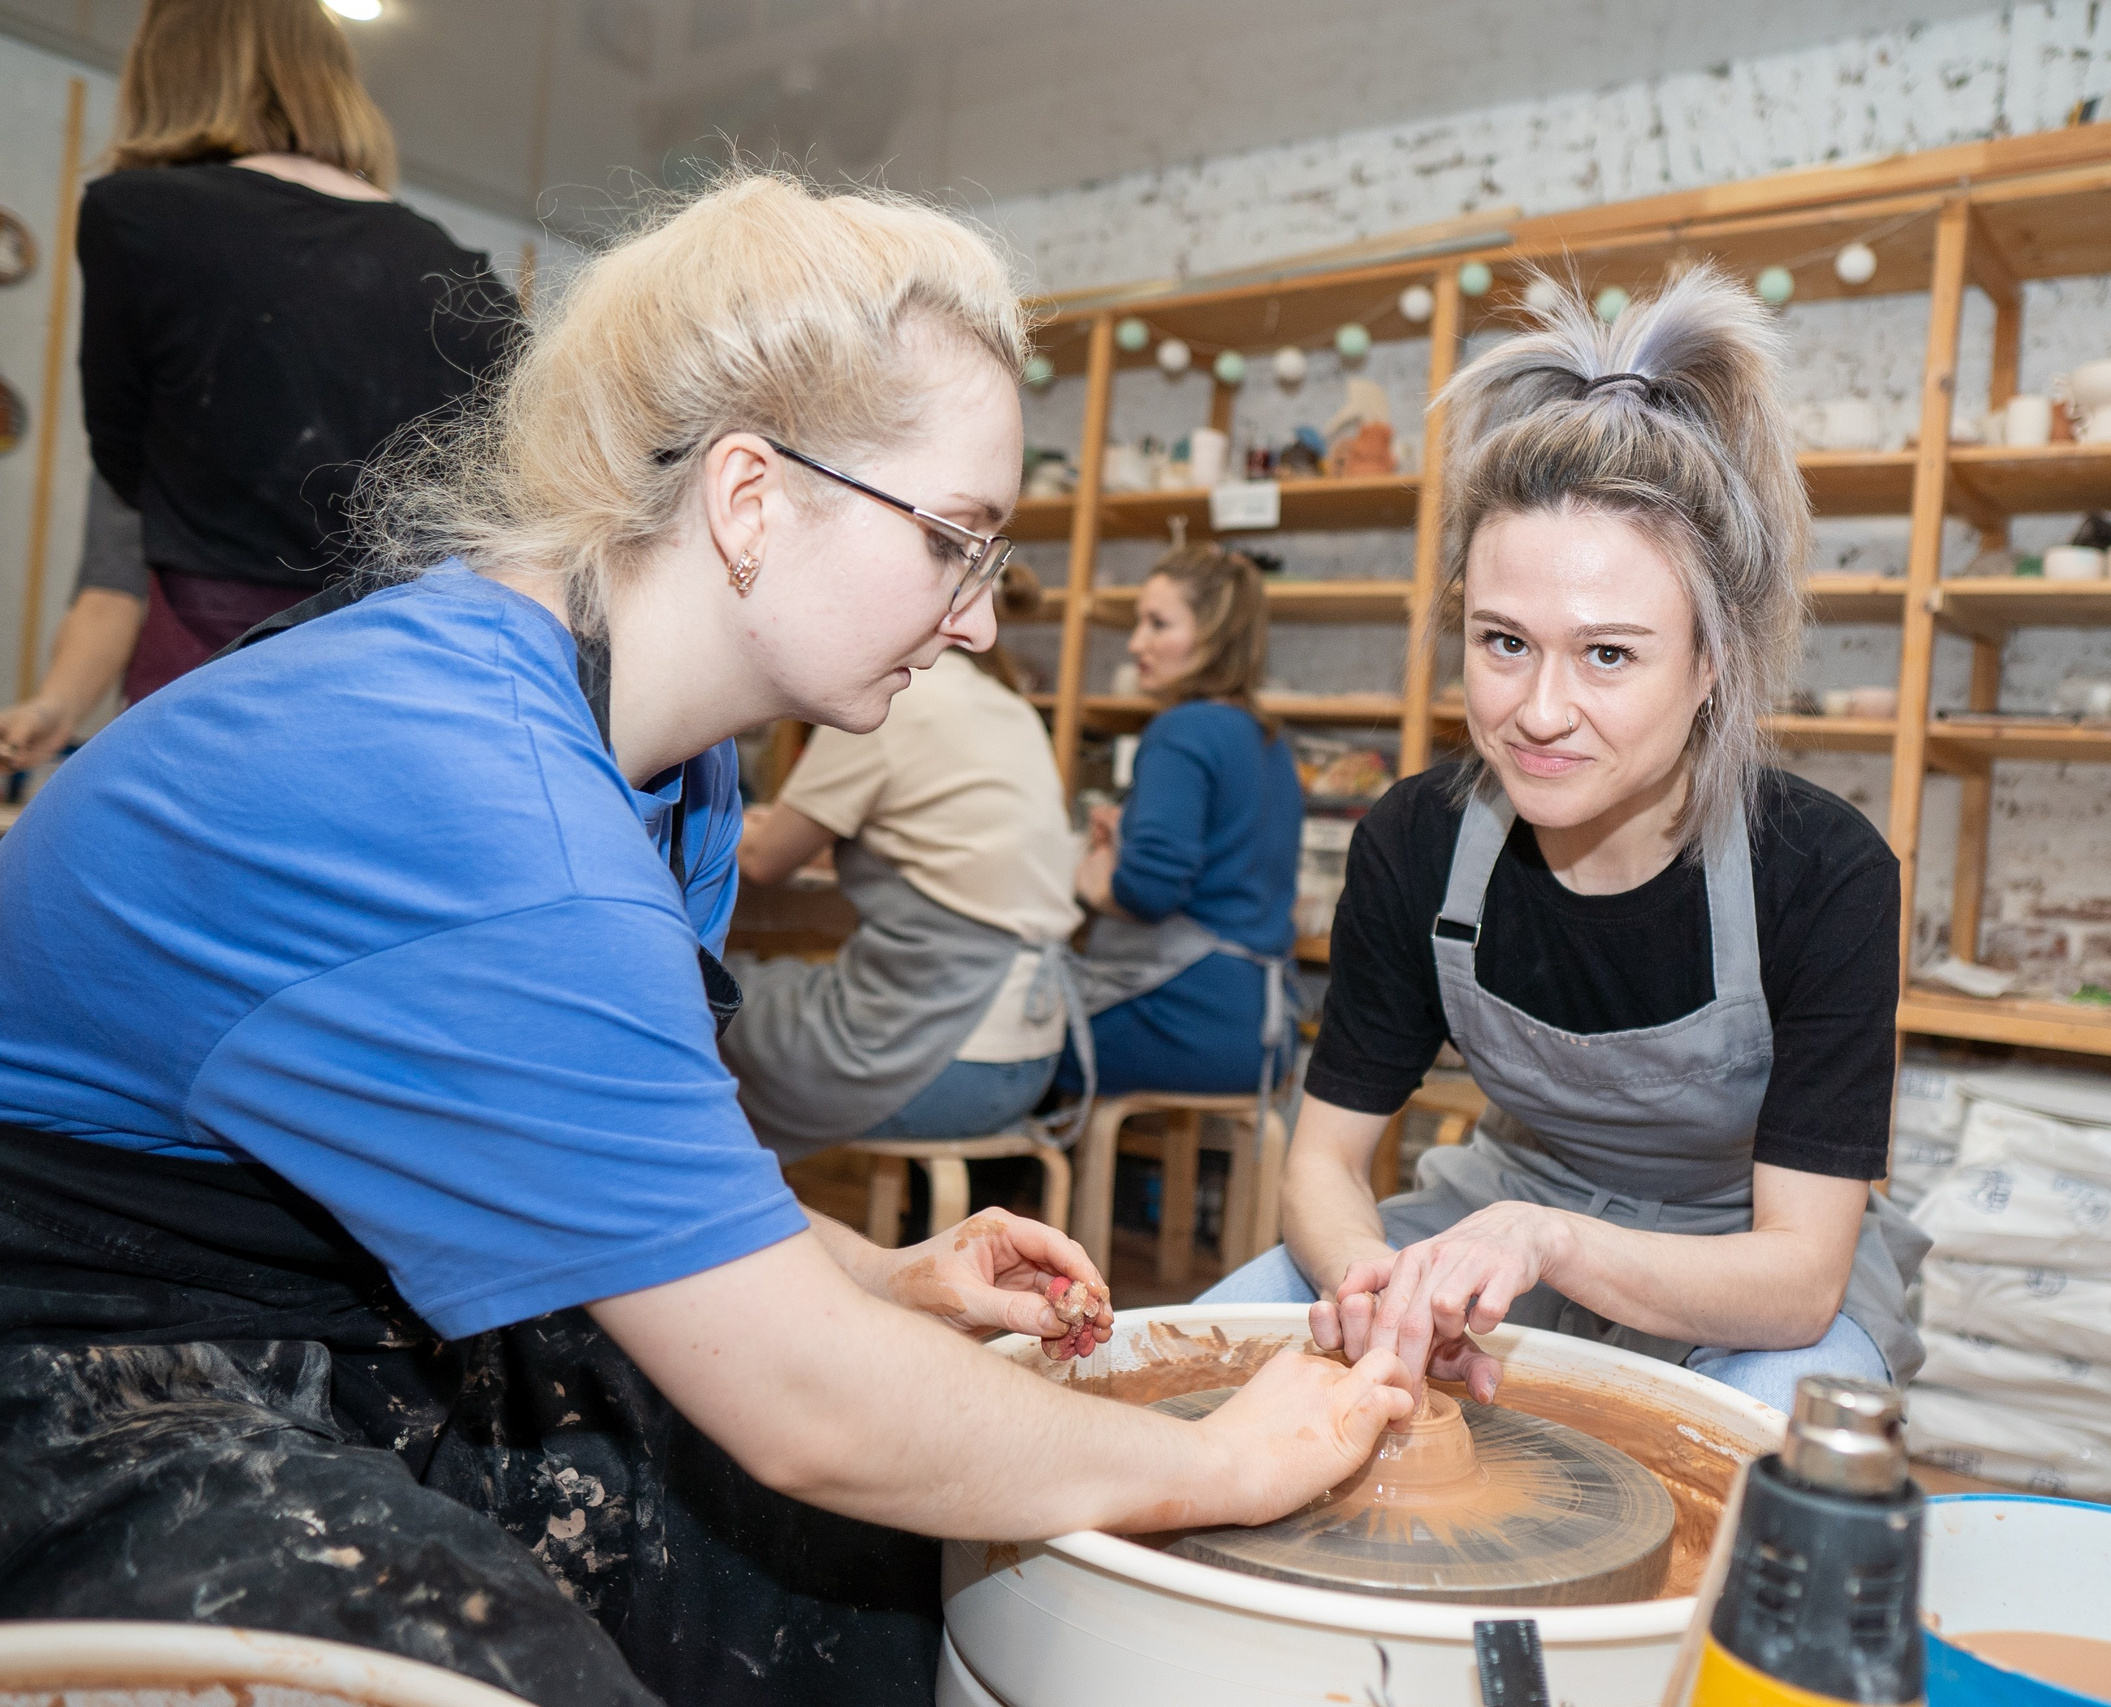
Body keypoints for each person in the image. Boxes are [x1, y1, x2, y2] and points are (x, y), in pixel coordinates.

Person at [0, 173, 1409, 1707]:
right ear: (749, 499)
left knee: (857, 1576)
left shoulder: (678, 765)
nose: (984, 617)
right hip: (69, 1355)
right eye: (958, 539)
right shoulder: (488, 795)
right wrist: (1216, 1459)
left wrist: (884, 1276)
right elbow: (810, 1405)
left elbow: (608, 1171)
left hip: (307, 1291)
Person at [1200, 271, 1929, 1414]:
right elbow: (1325, 1162)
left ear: (1710, 664)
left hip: (1731, 1266)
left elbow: (1797, 1280)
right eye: (1502, 642)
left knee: (1775, 1445)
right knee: (1221, 1346)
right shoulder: (1418, 843)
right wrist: (1375, 1295)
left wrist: (1553, 1244)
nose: (1537, 712)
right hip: (1493, 1221)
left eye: (1607, 655)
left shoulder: (1820, 874)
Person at [0, 0, 515, 772]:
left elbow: (125, 482)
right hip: (390, 738)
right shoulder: (469, 282)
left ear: (174, 70)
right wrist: (55, 706)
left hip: (204, 723)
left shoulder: (139, 222)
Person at [723, 564, 1084, 1154]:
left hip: (937, 1058)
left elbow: (763, 862)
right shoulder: (1013, 709)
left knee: (700, 1000)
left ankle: (703, 1222)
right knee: (780, 988)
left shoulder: (894, 697)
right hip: (1030, 1062)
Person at [1061, 544, 1304, 1108]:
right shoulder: (1267, 742)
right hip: (1263, 1028)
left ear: (1213, 636)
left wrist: (1095, 881)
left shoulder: (1182, 730)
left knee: (1016, 1046)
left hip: (1188, 1020)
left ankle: (1024, 1199)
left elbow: (1148, 890)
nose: (1135, 642)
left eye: (1157, 624)